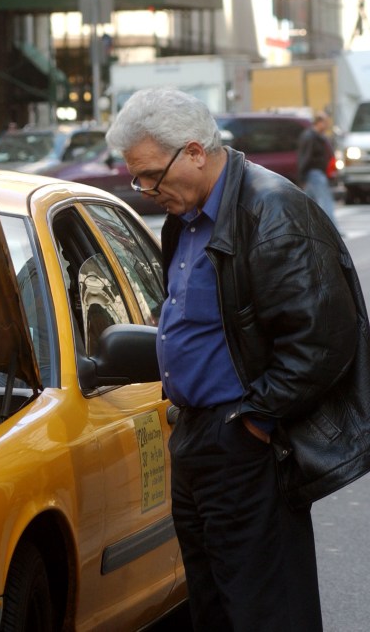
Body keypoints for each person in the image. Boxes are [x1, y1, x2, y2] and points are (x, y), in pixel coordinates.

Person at [106, 87, 370, 631]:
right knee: (214, 603)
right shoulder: (189, 213)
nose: (146, 189)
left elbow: (324, 338)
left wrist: (254, 419)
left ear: (196, 151)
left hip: (244, 440)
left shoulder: (271, 210)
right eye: (138, 178)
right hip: (198, 435)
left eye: (152, 174)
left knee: (264, 606)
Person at [297, 111, 336, 225]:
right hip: (314, 173)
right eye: (325, 123)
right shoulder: (310, 137)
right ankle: (332, 228)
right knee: (325, 201)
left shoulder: (318, 137)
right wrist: (302, 177)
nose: (327, 126)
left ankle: (304, 227)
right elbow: (304, 158)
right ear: (319, 123)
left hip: (314, 173)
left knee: (309, 203)